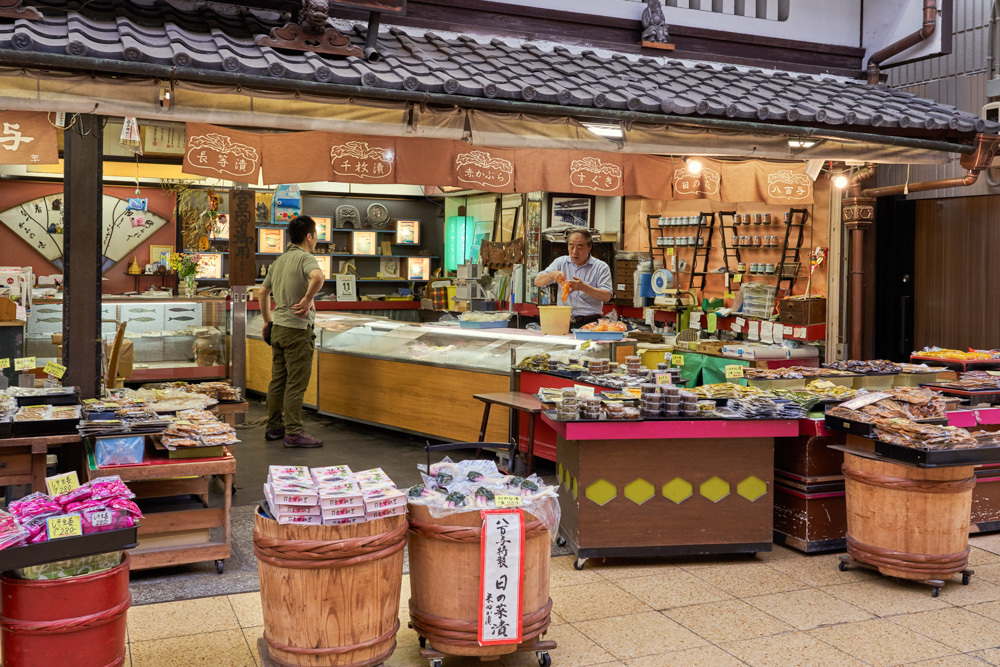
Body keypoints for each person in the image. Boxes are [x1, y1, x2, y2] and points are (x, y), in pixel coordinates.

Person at [258, 216, 325, 448]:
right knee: (296, 384)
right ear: (309, 236)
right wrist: (307, 300)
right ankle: (294, 432)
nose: (316, 239)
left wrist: (268, 322)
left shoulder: (280, 260)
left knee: (278, 380)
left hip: (279, 329)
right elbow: (318, 277)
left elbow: (262, 293)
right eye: (316, 235)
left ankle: (275, 427)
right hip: (297, 331)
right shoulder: (306, 258)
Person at [533, 228, 613, 328]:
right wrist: (552, 275)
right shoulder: (560, 262)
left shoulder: (601, 267)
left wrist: (584, 287)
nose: (574, 252)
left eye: (579, 247)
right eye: (571, 246)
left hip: (590, 323)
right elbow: (537, 282)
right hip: (563, 322)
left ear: (589, 247)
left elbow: (607, 296)